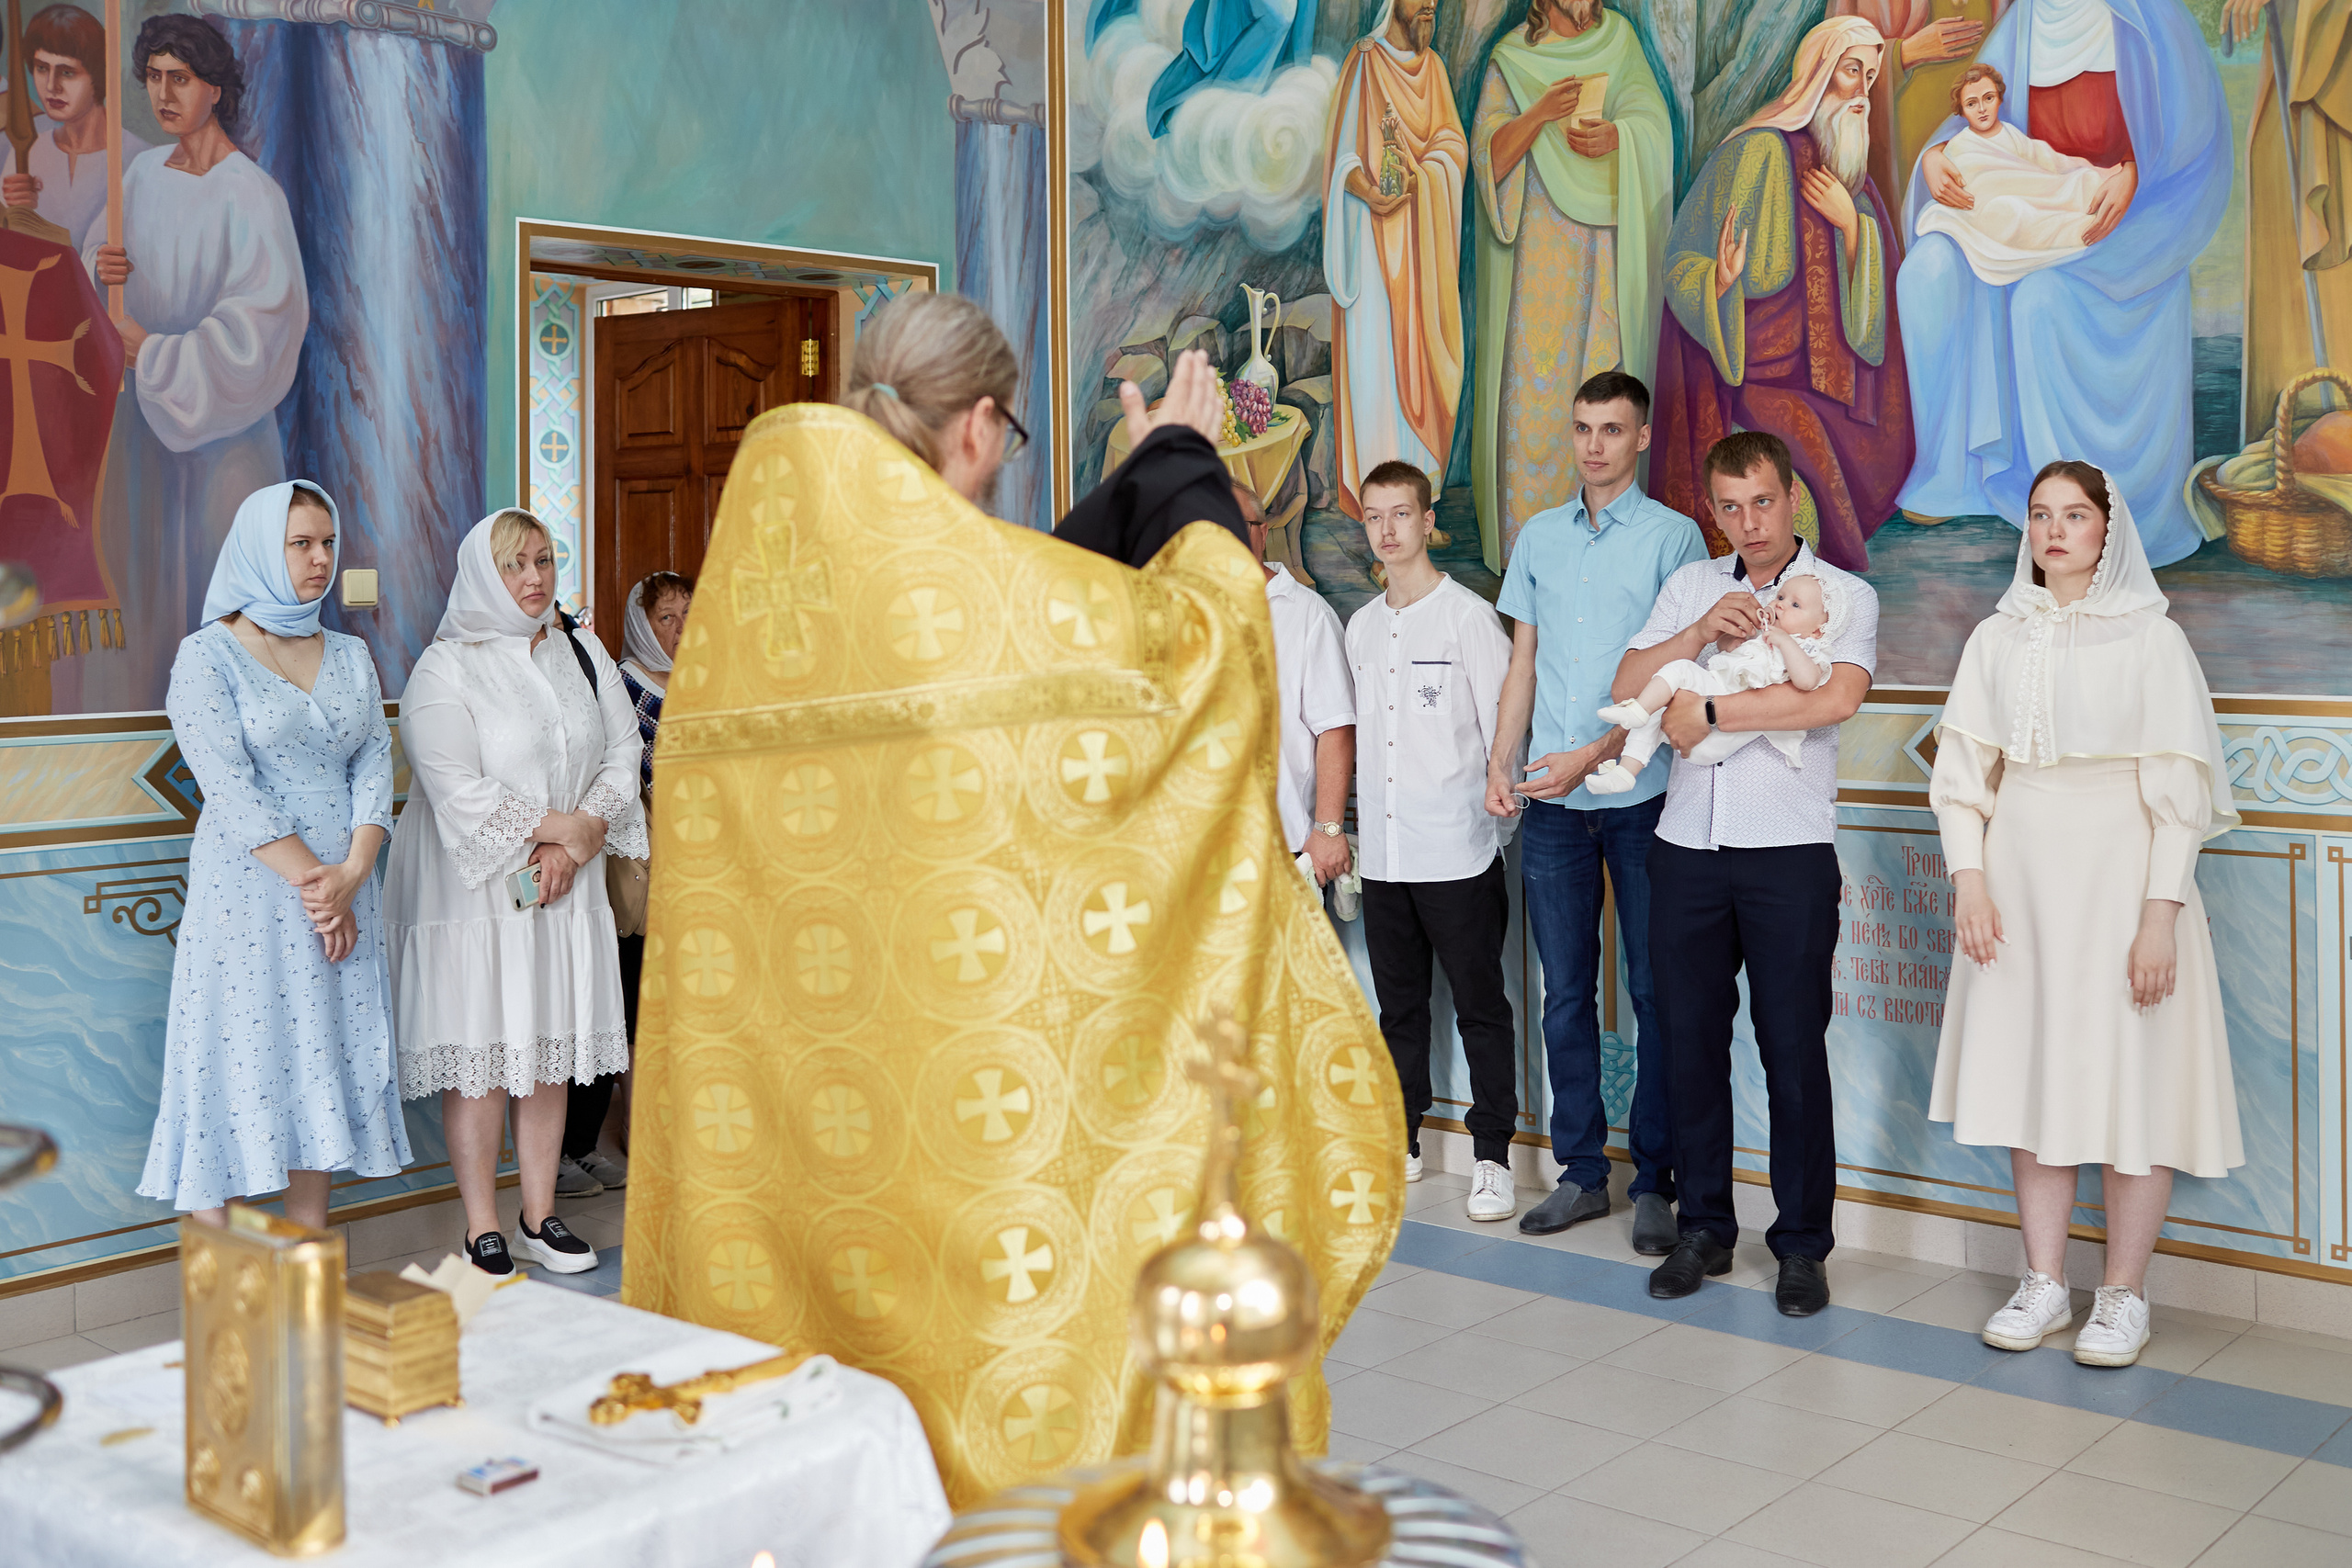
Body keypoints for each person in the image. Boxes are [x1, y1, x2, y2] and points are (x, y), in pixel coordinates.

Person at [621, 288, 1401, 1506]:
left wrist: (1137, 485)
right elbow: (1201, 656)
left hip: (792, 1156)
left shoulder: (753, 620)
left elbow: (1026, 604)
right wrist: (1187, 470)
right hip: (975, 1165)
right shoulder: (981, 631)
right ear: (983, 427)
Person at [1929, 460, 2241, 1368]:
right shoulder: (1995, 639)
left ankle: (2124, 1295)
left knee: (2131, 1084)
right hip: (2020, 891)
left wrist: (2158, 915)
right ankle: (2042, 1283)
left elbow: (2178, 795)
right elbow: (1961, 784)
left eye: (2073, 515)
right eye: (2039, 515)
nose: (2054, 530)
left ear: (2108, 531)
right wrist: (1969, 881)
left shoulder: (2152, 642)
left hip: (2124, 889)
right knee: (2038, 1086)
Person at [1623, 430, 1879, 1316]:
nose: (1748, 522)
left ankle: (1803, 1244)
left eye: (1762, 501)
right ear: (1712, 510)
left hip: (1789, 854)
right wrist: (1698, 632)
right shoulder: (1693, 585)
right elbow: (1627, 675)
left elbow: (1834, 696)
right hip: (1685, 847)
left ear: (1793, 496)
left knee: (1793, 1055)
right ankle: (1703, 1229)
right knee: (1689, 1045)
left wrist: (1714, 707)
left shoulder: (1844, 595)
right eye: (1729, 506)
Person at [138, 481, 409, 1224]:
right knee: (237, 1062)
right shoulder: (206, 657)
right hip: (250, 899)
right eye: (301, 544)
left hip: (344, 895)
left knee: (318, 1061)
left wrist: (353, 875)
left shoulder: (352, 653)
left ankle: (308, 1272)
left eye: (327, 542)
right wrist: (321, 890)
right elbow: (229, 787)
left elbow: (374, 764)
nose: (320, 558)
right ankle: (223, 1292)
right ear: (262, 547)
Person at [384, 510, 645, 1277]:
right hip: (480, 899)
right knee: (487, 1052)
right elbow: (453, 786)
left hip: (565, 891)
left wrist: (585, 832)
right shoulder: (446, 666)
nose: (534, 578)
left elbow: (622, 747)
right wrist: (563, 832)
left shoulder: (581, 648)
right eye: (514, 565)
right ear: (480, 574)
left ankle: (541, 1215)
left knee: (550, 1048)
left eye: (543, 560)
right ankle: (481, 1226)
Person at [1487, 370, 1706, 1254]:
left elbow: (1676, 675)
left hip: (1643, 800)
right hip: (1549, 806)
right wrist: (1502, 762)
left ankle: (1655, 1181)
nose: (1593, 445)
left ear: (1642, 437)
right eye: (1581, 427)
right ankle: (1582, 1174)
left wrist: (1594, 756)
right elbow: (1523, 666)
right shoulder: (1539, 538)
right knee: (1564, 993)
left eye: (1611, 429)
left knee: (1657, 992)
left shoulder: (1674, 537)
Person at [1897, 0, 2229, 565]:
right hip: (2038, 207)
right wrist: (1934, 158)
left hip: (2132, 220)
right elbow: (1978, 116)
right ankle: (1956, 476)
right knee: (1928, 268)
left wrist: (2133, 172)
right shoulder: (2027, 20)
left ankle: (2077, 506)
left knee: (2040, 298)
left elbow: (2194, 144)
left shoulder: (2154, 20)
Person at [74, 15, 306, 715]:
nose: (163, 93)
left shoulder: (253, 196)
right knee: (139, 598)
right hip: (142, 436)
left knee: (223, 596)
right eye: (152, 77)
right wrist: (100, 266)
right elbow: (96, 291)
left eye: (180, 78)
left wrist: (155, 350)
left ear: (215, 89)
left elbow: (263, 331)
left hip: (226, 445)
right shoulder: (139, 177)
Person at [1648, 14, 1914, 573]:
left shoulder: (1843, 166)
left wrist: (1851, 230)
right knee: (1804, 463)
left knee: (1863, 453)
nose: (1862, 92)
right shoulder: (1756, 152)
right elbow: (1681, 262)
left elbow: (1874, 318)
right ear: (1818, 76)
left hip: (1824, 377)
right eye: (1850, 73)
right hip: (1749, 376)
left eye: (1869, 77)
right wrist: (1718, 281)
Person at [1347, 460, 1518, 1220]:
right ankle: (1402, 1139)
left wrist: (1491, 827)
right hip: (1384, 859)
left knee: (1481, 1007)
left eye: (1400, 515)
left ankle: (1493, 1158)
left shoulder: (1468, 618)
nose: (1387, 530)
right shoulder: (1358, 626)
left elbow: (1503, 740)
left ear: (1427, 522)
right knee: (1398, 1008)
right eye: (1374, 517)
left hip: (1456, 851)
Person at [1468, 0, 1674, 568]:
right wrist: (1537, 115)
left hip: (1606, 247)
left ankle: (1608, 546)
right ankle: (1533, 552)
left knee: (1604, 383)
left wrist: (1619, 137)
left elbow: (1654, 127)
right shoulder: (1511, 58)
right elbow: (1486, 161)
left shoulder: (1621, 39)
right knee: (1538, 393)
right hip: (1539, 254)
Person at [553, 570, 693, 1199]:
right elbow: (632, 769)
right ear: (642, 625)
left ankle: (629, 1134)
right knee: (606, 1005)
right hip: (627, 868)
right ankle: (574, 1147)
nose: (682, 629)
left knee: (654, 1007)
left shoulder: (701, 681)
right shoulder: (630, 684)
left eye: (690, 615)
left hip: (686, 869)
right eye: (667, 617)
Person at [1322, 0, 1465, 519]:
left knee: (1425, 371)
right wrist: (1368, 190)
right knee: (1378, 382)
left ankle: (1419, 513)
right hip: (1374, 251)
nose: (1428, 3)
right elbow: (1342, 158)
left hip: (1425, 253)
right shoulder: (1365, 61)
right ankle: (1384, 521)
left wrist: (1424, 176)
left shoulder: (1435, 70)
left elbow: (1453, 148)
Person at [1590, 571, 1840, 784]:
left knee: (1678, 673)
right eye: (1781, 597)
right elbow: (1729, 656)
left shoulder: (1809, 651)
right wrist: (1732, 641)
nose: (1780, 605)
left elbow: (1807, 682)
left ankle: (1638, 712)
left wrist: (1785, 641)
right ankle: (1626, 772)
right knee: (1662, 696)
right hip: (1707, 707)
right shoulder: (1764, 640)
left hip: (1720, 736)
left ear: (1818, 628)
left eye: (1795, 605)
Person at [1239, 485, 1353, 889]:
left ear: (1263, 531)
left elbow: (1336, 729)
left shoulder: (1307, 614)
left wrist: (1327, 831)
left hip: (1280, 843)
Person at [1912, 63, 2108, 283]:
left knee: (2084, 181)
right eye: (1971, 103)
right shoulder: (1957, 147)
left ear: (1999, 99)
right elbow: (1976, 185)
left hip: (2041, 191)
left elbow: (2049, 160)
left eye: (1988, 98)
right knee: (2012, 212)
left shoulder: (2011, 134)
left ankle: (2086, 221)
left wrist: (2087, 167)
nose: (1982, 109)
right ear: (1962, 110)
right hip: (1992, 210)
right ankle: (2081, 231)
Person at [1, 4, 153, 250]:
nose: (51, 86)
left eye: (67, 72)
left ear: (96, 74)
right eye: (41, 68)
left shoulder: (141, 159)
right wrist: (13, 212)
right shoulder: (27, 153)